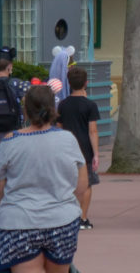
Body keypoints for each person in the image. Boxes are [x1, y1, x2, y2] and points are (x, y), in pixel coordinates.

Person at [0, 85, 88, 273]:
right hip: (61, 221)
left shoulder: (10, 141)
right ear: (53, 110)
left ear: (25, 111)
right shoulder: (68, 139)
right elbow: (81, 186)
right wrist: (71, 209)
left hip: (19, 223)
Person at [57, 66, 100, 230]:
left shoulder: (63, 105)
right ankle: (83, 217)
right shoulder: (90, 105)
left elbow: (59, 128)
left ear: (69, 83)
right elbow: (93, 131)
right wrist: (96, 153)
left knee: (68, 184)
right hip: (85, 149)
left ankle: (69, 217)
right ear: (86, 83)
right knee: (87, 184)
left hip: (67, 149)